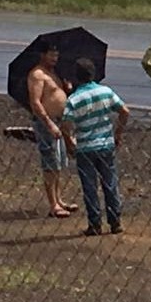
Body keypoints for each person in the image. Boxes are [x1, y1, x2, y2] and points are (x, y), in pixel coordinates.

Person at [61, 58, 130, 237]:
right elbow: (124, 111)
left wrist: (70, 143)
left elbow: (66, 125)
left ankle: (95, 223)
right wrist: (118, 133)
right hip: (106, 143)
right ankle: (115, 221)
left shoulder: (74, 99)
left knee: (89, 186)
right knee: (110, 183)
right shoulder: (105, 91)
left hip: (85, 146)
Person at [28, 45, 78, 218]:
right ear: (43, 55)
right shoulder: (37, 75)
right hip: (46, 123)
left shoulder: (55, 73)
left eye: (56, 55)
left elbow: (59, 94)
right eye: (51, 55)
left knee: (59, 163)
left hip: (60, 122)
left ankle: (59, 199)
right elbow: (35, 102)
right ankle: (53, 204)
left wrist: (68, 88)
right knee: (50, 163)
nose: (55, 58)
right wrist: (49, 123)